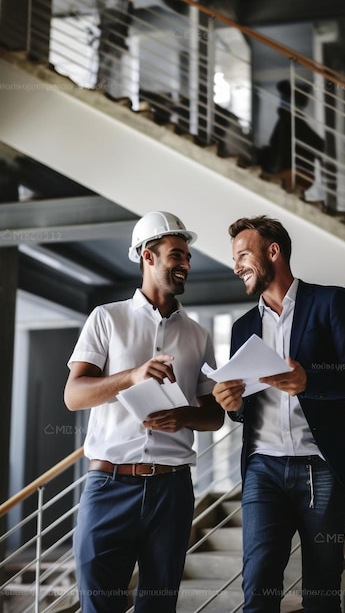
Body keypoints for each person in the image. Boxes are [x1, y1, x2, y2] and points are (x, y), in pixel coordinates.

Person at [212, 215, 345, 613]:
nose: (236, 266)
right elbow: (245, 407)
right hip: (263, 470)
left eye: (242, 255)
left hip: (320, 467)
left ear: (273, 252)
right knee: (258, 586)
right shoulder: (243, 327)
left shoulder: (330, 301)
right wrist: (233, 405)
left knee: (322, 592)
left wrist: (310, 381)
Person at [64, 211, 224, 613]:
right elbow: (74, 395)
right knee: (99, 605)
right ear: (148, 257)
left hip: (172, 491)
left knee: (159, 607)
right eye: (176, 255)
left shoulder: (198, 335)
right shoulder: (106, 318)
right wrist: (131, 376)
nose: (185, 263)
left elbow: (215, 416)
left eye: (187, 256)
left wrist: (183, 417)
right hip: (109, 485)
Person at [261, 80, 325, 192]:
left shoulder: (292, 122)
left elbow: (319, 145)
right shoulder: (288, 121)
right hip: (288, 170)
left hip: (293, 172)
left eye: (285, 98)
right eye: (283, 98)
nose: (281, 102)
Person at [94, 0, 134, 96]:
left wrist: (128, 1)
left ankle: (111, 94)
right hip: (108, 35)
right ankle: (100, 90)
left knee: (116, 70)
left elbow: (128, 19)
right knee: (104, 66)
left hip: (119, 38)